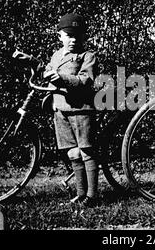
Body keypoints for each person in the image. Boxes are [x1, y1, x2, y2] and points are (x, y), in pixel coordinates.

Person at [44, 13, 99, 207]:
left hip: (81, 110)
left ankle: (92, 195)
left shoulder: (88, 56)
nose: (73, 39)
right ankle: (81, 193)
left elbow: (85, 80)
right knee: (73, 153)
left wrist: (61, 79)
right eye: (68, 35)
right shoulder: (57, 55)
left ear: (83, 36)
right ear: (59, 35)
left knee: (86, 152)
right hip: (60, 109)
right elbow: (48, 70)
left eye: (77, 35)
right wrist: (33, 63)